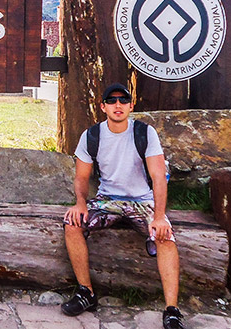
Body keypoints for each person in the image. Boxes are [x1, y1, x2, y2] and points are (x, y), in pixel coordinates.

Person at [61, 83, 185, 329]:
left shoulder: (144, 133)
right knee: (72, 223)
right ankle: (86, 292)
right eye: (112, 100)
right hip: (108, 200)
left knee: (165, 237)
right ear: (103, 106)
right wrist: (80, 203)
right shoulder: (91, 136)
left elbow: (159, 176)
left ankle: (172, 310)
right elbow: (82, 177)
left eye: (123, 100)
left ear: (130, 105)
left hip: (142, 200)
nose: (118, 105)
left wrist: (159, 216)